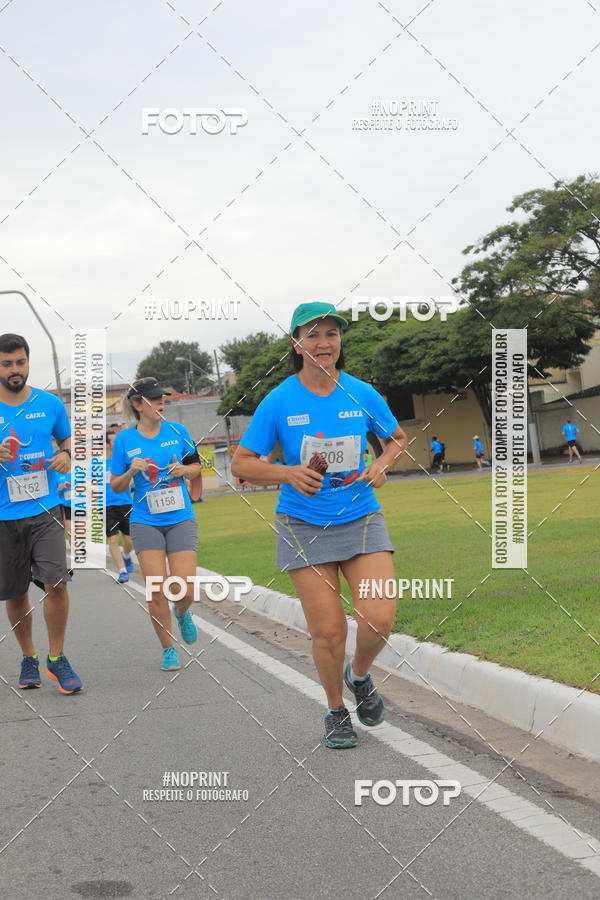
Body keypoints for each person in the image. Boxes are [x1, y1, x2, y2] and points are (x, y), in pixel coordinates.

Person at [232, 302, 408, 749]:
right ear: (297, 344)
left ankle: (360, 676)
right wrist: (288, 472)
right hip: (303, 523)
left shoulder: (362, 393)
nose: (323, 342)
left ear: (340, 342)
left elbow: (396, 439)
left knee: (380, 615)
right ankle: (335, 710)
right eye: (312, 335)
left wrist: (383, 463)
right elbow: (243, 463)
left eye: (331, 333)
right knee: (328, 630)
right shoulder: (279, 400)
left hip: (360, 515)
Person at [0, 333, 83, 693]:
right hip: (4, 516)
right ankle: (28, 657)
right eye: (6, 364)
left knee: (56, 584)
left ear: (28, 362)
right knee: (16, 593)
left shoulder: (49, 403)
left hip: (46, 509)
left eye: (20, 362)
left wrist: (66, 455)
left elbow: (68, 442)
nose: (15, 369)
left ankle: (57, 658)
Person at [110, 377, 202, 670]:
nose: (162, 402)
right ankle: (168, 649)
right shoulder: (125, 440)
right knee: (156, 588)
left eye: (162, 398)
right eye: (154, 399)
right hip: (145, 521)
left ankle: (183, 612)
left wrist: (183, 470)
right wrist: (130, 472)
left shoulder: (179, 431)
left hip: (180, 519)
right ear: (138, 405)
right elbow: (115, 485)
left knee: (184, 589)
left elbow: (196, 466)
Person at [104, 430, 135, 583]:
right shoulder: (96, 465)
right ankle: (122, 571)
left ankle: (127, 555)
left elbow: (132, 478)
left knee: (130, 541)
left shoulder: (122, 461)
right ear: (107, 445)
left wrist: (127, 482)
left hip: (125, 504)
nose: (117, 444)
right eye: (113, 441)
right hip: (107, 507)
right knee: (113, 540)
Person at [57, 470, 72, 537]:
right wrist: (61, 486)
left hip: (79, 505)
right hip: (65, 506)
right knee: (71, 533)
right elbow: (54, 491)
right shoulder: (56, 473)